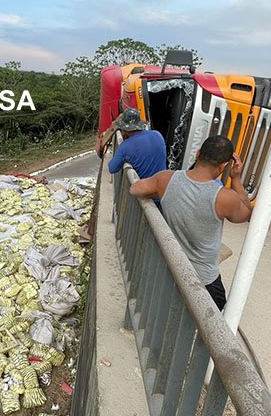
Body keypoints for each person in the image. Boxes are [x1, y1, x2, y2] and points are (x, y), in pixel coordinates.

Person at [129, 135, 252, 310]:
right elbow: (246, 213)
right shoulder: (225, 197)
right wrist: (237, 179)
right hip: (203, 279)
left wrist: (159, 192)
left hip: (168, 267)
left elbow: (135, 188)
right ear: (225, 165)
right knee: (216, 317)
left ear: (198, 153)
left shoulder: (165, 179)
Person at [99, 108, 167, 179]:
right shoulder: (157, 134)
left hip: (147, 187)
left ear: (124, 129)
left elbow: (112, 168)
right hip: (164, 184)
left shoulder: (125, 146)